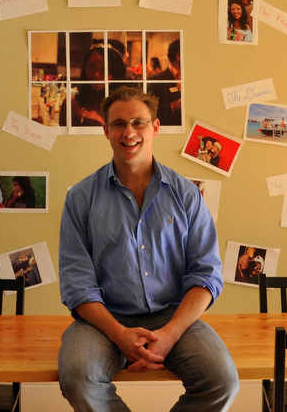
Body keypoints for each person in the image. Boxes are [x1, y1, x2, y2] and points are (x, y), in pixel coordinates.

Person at [58, 86, 239, 411]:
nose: (128, 132)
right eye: (118, 124)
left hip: (173, 316)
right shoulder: (81, 198)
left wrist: (170, 333)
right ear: (106, 130)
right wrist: (119, 334)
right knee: (77, 379)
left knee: (222, 381)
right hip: (104, 319)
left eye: (138, 122)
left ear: (155, 127)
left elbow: (206, 274)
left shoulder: (187, 195)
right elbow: (77, 283)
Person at [71, 39, 128, 127]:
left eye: (104, 69)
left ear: (116, 72)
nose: (96, 75)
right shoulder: (73, 104)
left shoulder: (127, 105)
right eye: (91, 66)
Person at [148, 38, 182, 126]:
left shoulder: (193, 78)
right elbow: (150, 110)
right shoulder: (155, 80)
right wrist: (173, 106)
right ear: (178, 56)